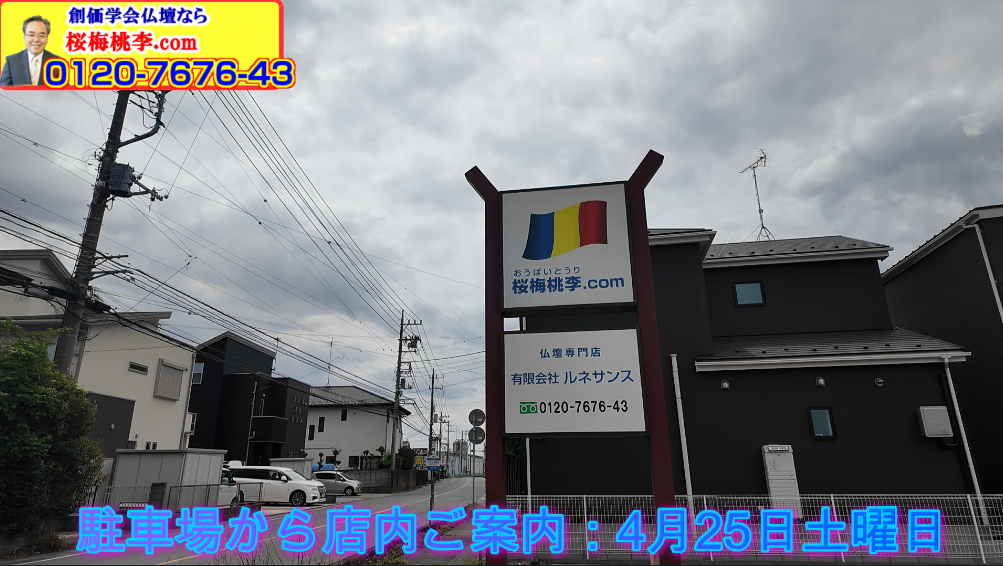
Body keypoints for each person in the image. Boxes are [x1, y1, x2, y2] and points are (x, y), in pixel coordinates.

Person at [0, 16, 62, 86]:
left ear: (47, 38)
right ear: (24, 37)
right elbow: (3, 92)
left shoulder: (58, 62)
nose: (36, 40)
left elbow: (66, 93)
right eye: (31, 35)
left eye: (41, 35)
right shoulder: (11, 62)